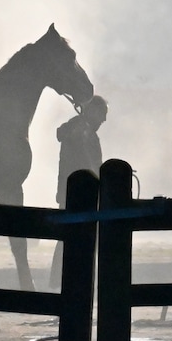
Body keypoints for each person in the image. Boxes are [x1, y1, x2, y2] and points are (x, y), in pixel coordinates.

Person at [49, 96, 107, 288]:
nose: (104, 119)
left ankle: (63, 280)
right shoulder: (80, 130)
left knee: (69, 236)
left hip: (74, 191)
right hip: (78, 193)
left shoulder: (82, 130)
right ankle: (69, 281)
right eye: (102, 114)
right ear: (93, 111)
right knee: (77, 235)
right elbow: (89, 163)